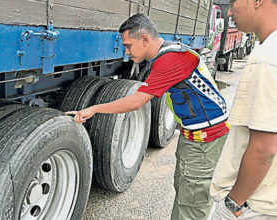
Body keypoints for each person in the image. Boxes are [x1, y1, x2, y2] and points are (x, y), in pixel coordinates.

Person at [67, 13, 230, 220]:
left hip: (205, 141)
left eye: (128, 45)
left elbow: (136, 102)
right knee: (185, 195)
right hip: (197, 136)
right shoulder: (169, 53)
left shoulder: (171, 59)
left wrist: (93, 109)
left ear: (144, 39)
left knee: (191, 206)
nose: (126, 53)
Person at [209, 0, 277, 219]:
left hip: (253, 206)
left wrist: (232, 203)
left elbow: (264, 148)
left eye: (233, 2)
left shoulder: (267, 58)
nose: (230, 11)